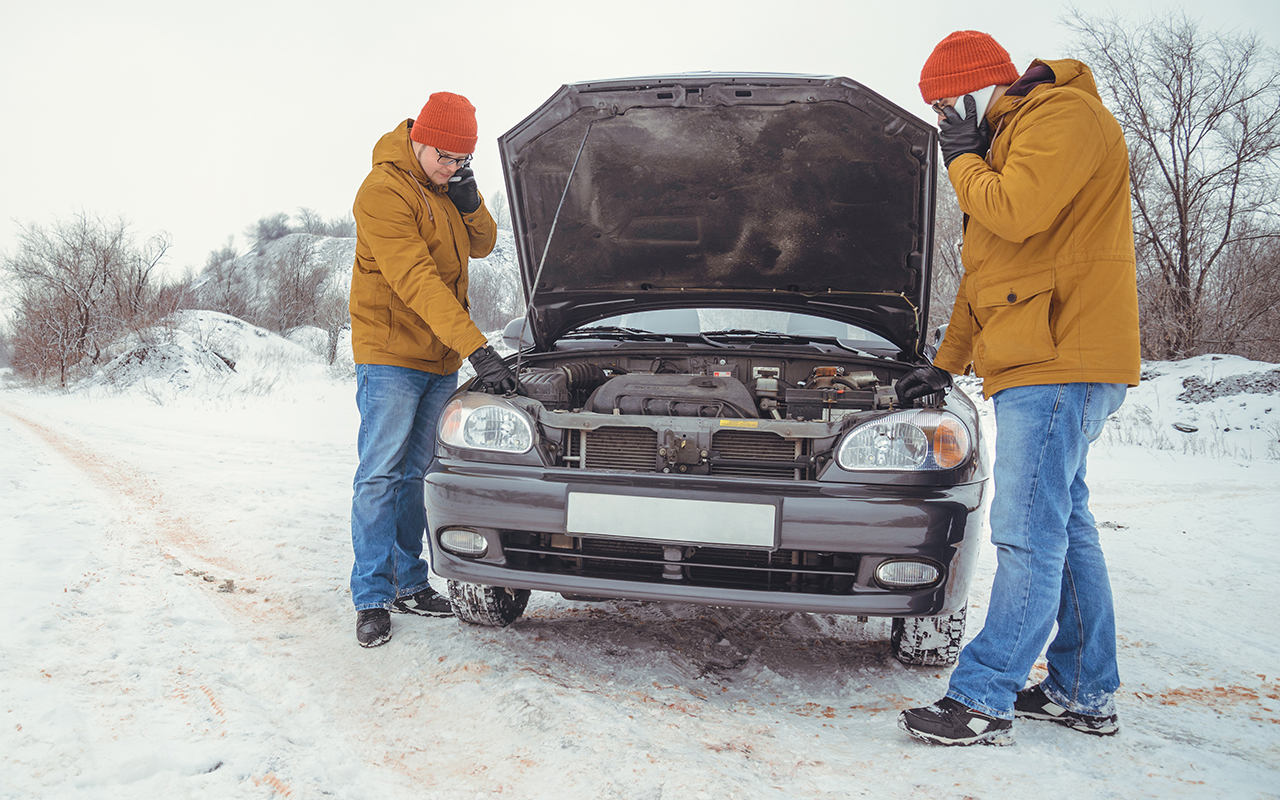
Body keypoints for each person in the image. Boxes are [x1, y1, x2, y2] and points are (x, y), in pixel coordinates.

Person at [896, 31, 1141, 744]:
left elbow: (1015, 210)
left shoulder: (1060, 117)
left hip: (1060, 361)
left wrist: (965, 159)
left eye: (947, 106)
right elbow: (987, 279)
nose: (946, 122)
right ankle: (1081, 692)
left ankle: (983, 697)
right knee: (1064, 528)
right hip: (1042, 360)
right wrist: (945, 362)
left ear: (977, 88)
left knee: (1026, 533)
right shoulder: (1008, 144)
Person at [348, 91, 521, 648]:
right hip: (391, 356)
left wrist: (470, 199)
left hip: (438, 355)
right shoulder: (382, 191)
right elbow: (418, 280)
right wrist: (480, 349)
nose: (451, 168)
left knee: (416, 477)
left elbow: (485, 243)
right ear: (419, 138)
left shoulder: (448, 189)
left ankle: (410, 581)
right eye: (444, 158)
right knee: (380, 474)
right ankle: (372, 595)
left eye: (462, 161)